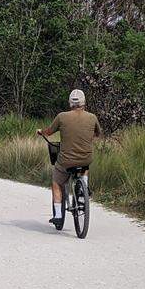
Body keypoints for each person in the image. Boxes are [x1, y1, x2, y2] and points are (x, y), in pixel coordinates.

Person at [36, 89, 102, 229]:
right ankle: (84, 188)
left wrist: (41, 132)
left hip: (66, 161)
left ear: (70, 103)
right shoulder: (92, 117)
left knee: (56, 182)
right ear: (84, 102)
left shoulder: (62, 117)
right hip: (85, 158)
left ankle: (58, 216)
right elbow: (98, 133)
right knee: (84, 166)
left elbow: (48, 132)